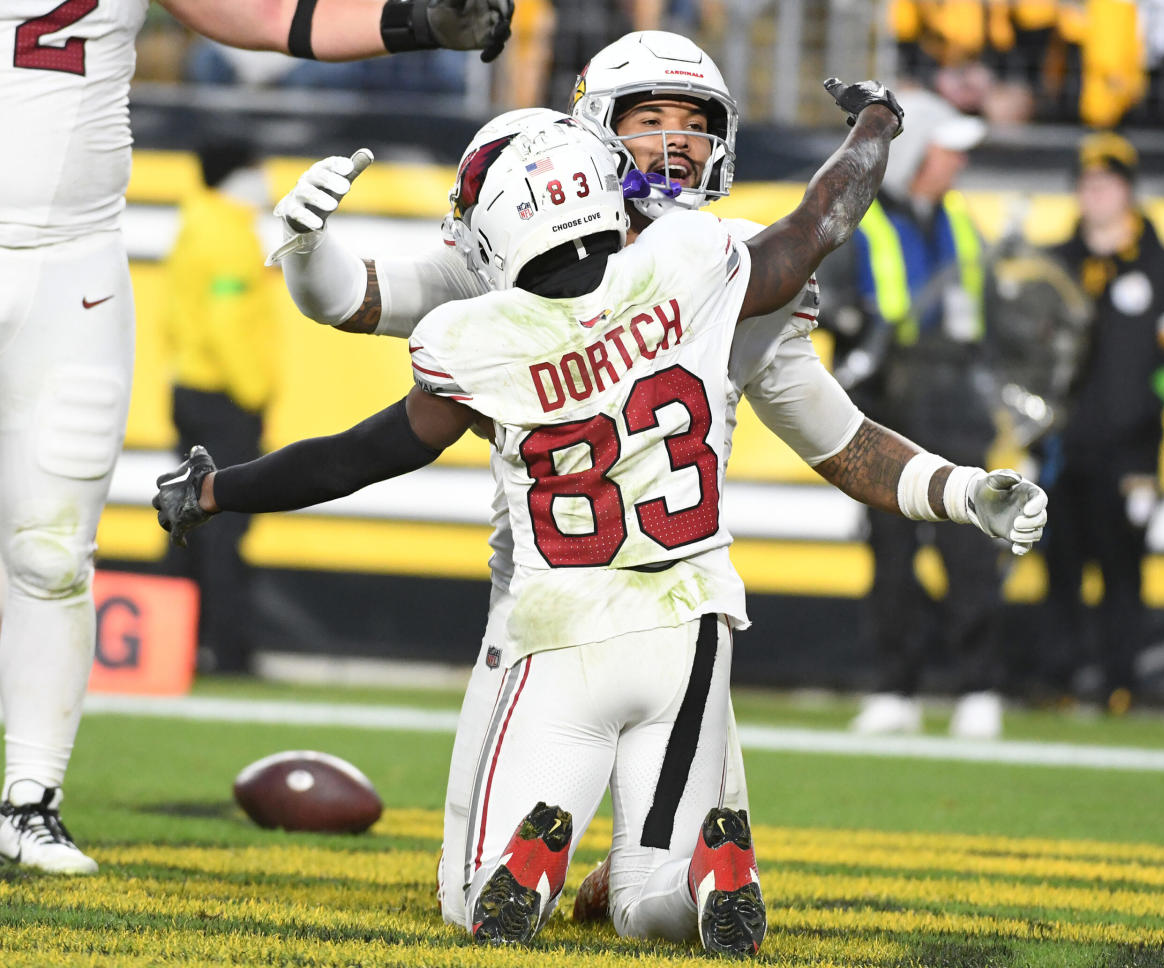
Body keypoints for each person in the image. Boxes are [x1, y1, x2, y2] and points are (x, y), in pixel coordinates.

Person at [157, 96, 1043, 955]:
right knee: (645, 894)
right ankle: (699, 880)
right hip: (692, 621)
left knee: (471, 900)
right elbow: (819, 223)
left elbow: (355, 457)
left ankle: (531, 867)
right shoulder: (695, 261)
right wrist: (876, 127)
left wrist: (216, 492)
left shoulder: (484, 337)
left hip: (562, 630)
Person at [0, 0, 514, 876]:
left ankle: (28, 801)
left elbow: (268, 12)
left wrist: (417, 22)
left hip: (69, 261)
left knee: (51, 550)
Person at [819, 87, 1009, 739]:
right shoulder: (862, 221)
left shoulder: (963, 224)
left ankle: (977, 685)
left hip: (957, 404)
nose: (955, 163)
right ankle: (895, 686)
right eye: (944, 150)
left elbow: (992, 323)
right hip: (887, 408)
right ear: (915, 155)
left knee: (970, 550)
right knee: (892, 553)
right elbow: (833, 308)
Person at [1036, 132, 1164, 712]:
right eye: (1086, 185)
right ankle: (1057, 680)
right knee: (1059, 566)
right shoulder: (1058, 263)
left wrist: (1151, 397)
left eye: (1105, 185)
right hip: (1064, 445)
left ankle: (1119, 684)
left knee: (1122, 566)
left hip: (1131, 450)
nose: (1094, 196)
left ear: (1127, 191)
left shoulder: (1160, 265)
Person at [163, 137, 280, 675]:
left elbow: (180, 317)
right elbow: (228, 324)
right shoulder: (229, 235)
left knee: (186, 525)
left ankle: (173, 647)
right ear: (236, 175)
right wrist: (254, 392)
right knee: (224, 528)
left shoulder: (193, 225)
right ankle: (230, 654)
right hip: (223, 400)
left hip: (190, 390)